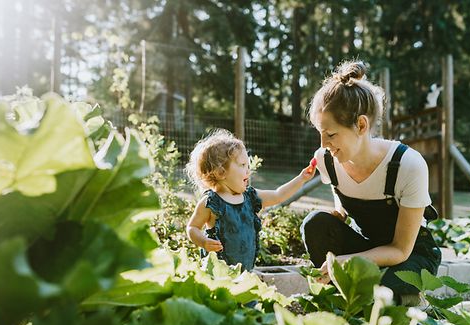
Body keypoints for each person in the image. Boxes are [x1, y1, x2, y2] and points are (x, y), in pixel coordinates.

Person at [301, 60, 441, 305]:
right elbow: (341, 192)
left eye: (331, 134)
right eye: (320, 133)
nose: (323, 144)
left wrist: (352, 261)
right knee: (315, 224)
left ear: (361, 125)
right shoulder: (327, 159)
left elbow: (400, 250)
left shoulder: (408, 164)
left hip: (409, 256)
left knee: (377, 287)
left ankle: (407, 300)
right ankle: (347, 295)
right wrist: (340, 212)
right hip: (368, 246)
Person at [185, 129, 316, 271]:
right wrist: (203, 241)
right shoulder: (211, 203)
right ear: (221, 172)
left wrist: (302, 178)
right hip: (218, 273)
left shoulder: (250, 197)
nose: (248, 170)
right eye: (242, 165)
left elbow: (278, 195)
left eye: (248, 165)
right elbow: (192, 228)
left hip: (246, 271)